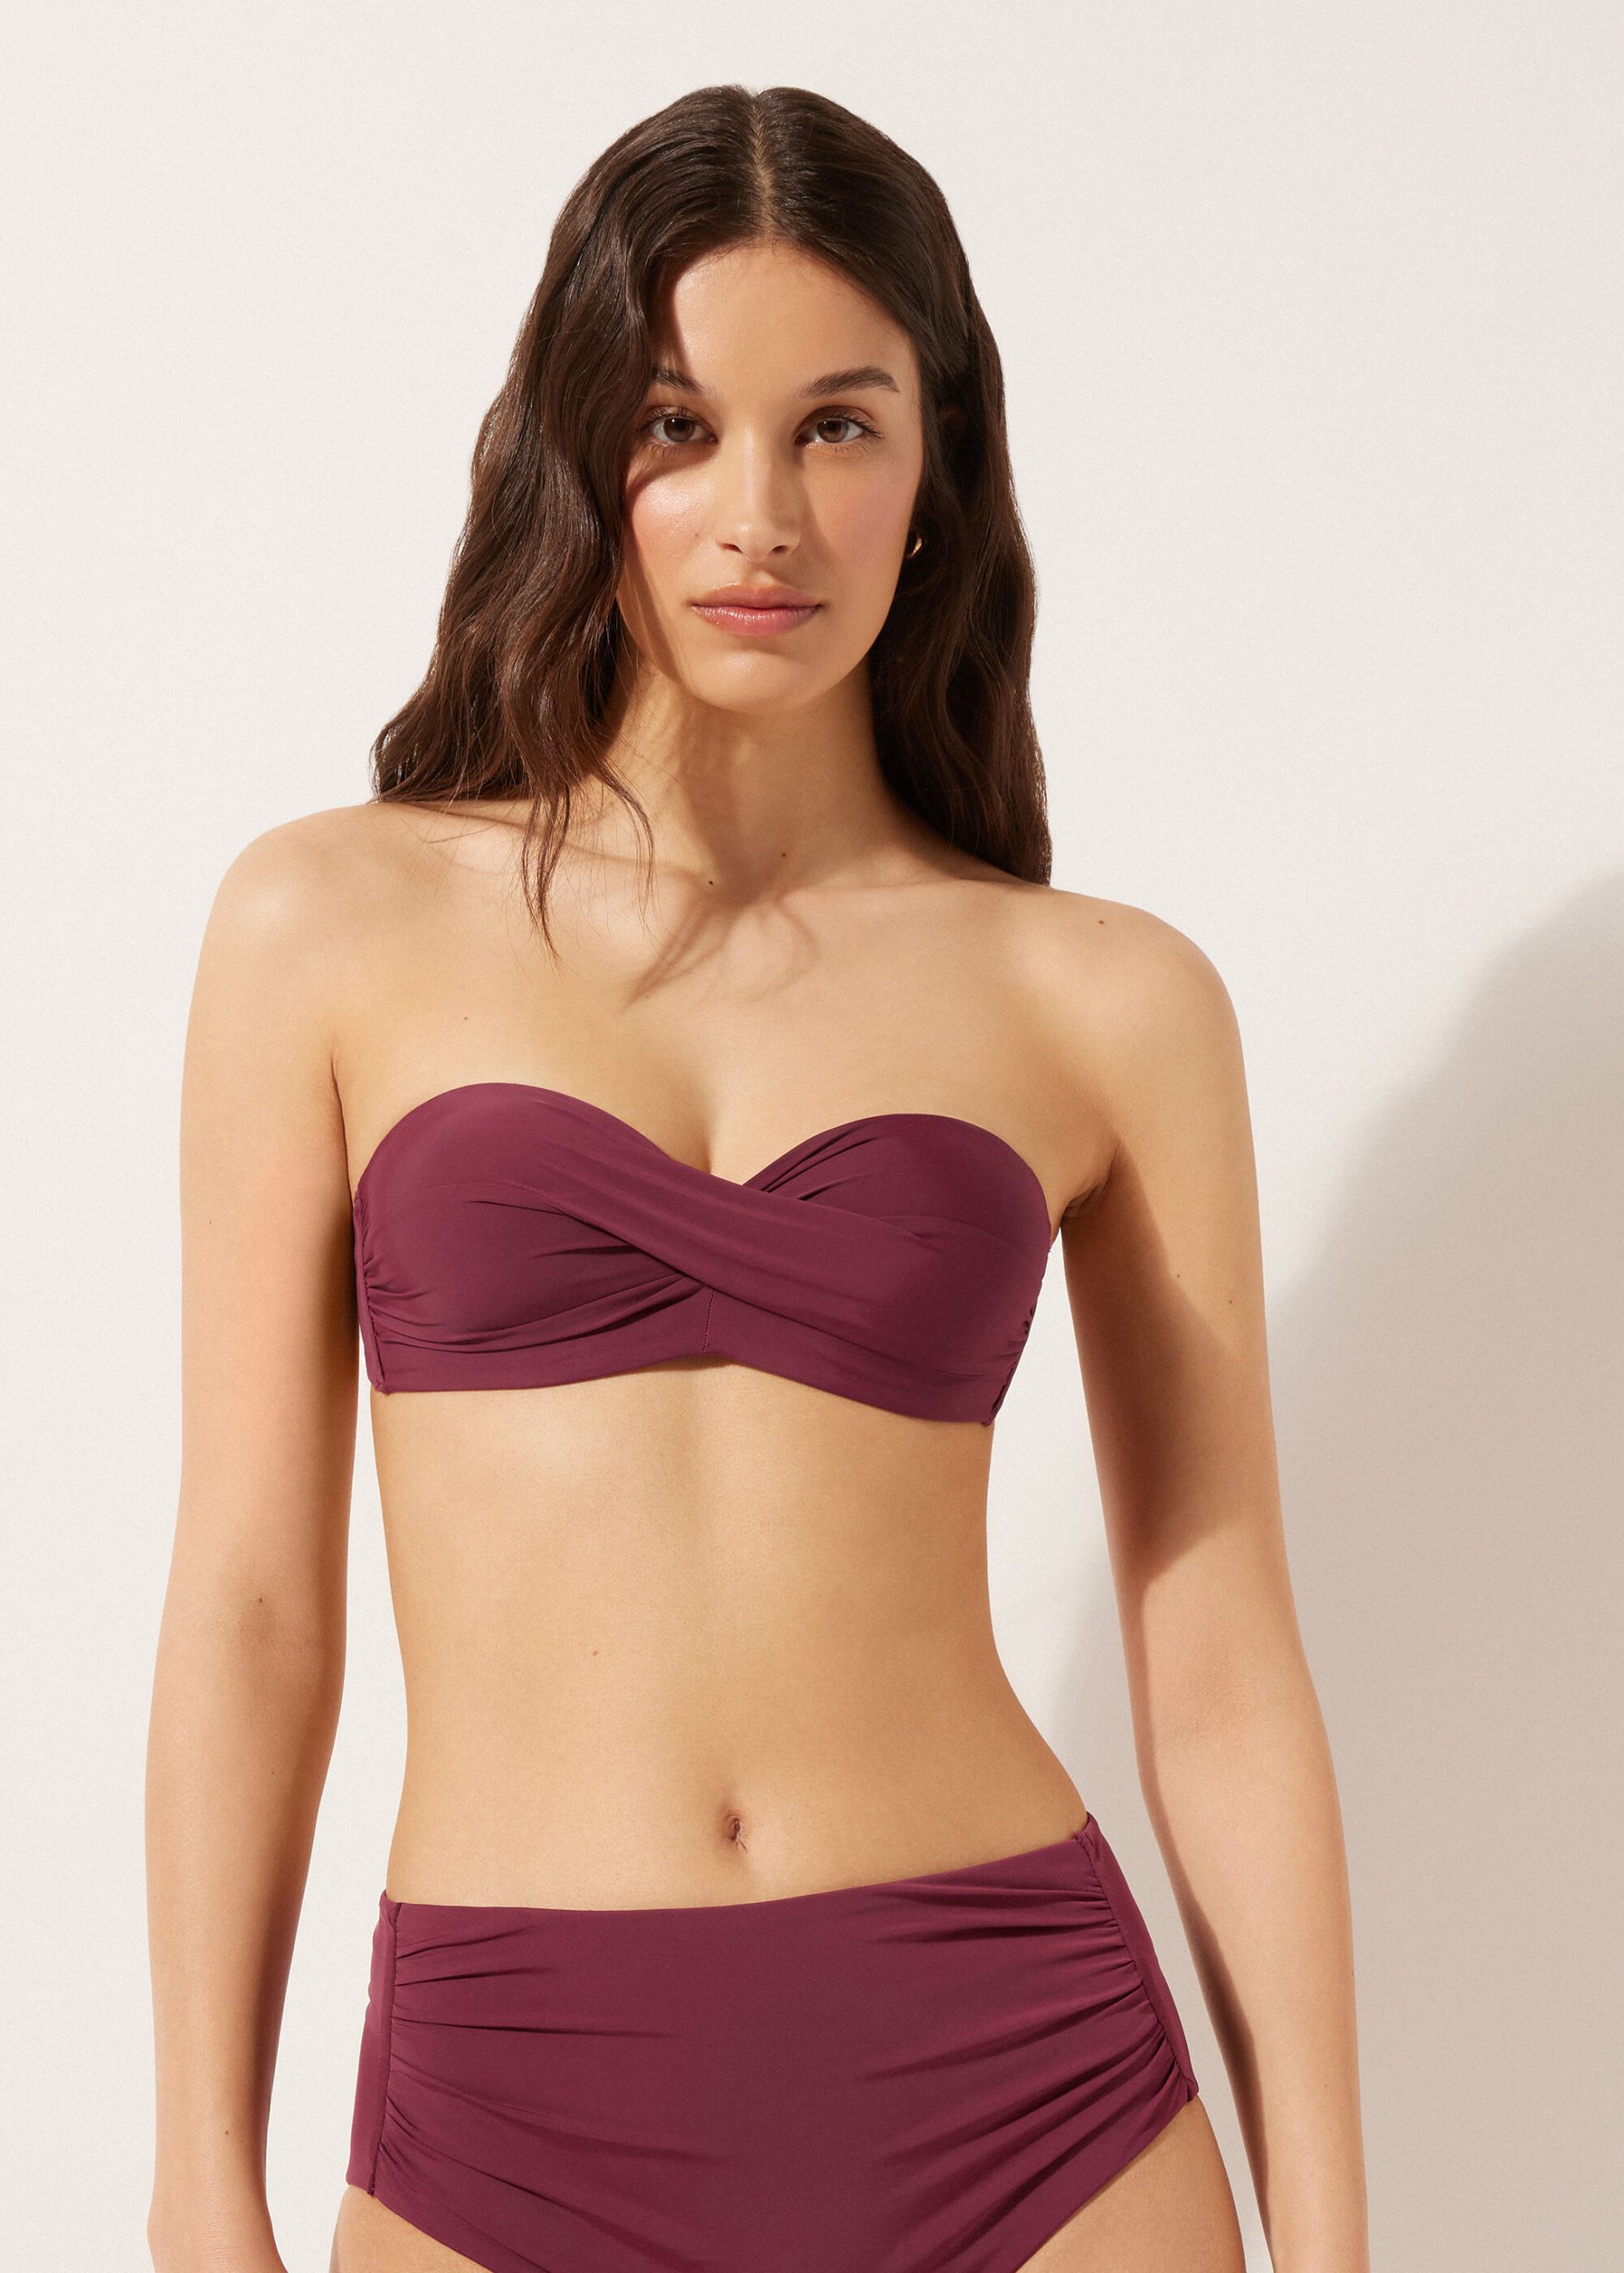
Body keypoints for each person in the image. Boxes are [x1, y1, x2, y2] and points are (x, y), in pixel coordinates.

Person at [145, 82, 1368, 2273]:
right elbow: (251, 1603)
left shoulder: (1105, 999)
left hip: (1028, 2094)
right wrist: (197, 2175)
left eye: (837, 427)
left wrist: (1340, 2235)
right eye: (678, 426)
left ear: (938, 463)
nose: (761, 517)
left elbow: (1219, 1656)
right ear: (576, 454)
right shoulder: (327, 928)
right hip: (513, 2102)